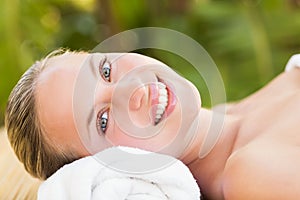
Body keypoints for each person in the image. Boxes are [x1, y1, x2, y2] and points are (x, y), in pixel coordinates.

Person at [5, 49, 300, 200]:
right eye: (103, 121)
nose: (134, 91)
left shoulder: (241, 114)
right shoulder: (252, 174)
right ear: (107, 168)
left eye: (106, 70)